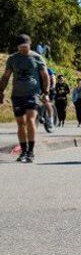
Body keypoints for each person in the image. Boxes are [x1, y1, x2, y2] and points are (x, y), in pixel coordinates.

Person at [0, 34, 53, 162]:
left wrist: (45, 92)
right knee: (20, 124)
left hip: (33, 94)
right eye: (20, 47)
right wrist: (0, 91)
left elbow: (45, 76)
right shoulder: (12, 59)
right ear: (17, 47)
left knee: (30, 120)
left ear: (30, 44)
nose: (23, 49)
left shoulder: (37, 57)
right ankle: (23, 152)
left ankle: (31, 152)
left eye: (25, 46)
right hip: (17, 95)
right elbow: (6, 76)